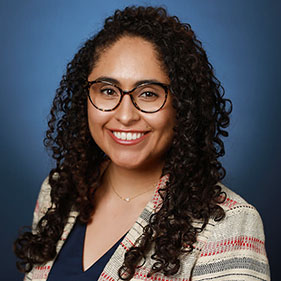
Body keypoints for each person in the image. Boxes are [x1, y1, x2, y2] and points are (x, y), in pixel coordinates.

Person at [14, 6, 270, 281]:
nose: (124, 115)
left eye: (148, 93)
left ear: (182, 106)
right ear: (84, 98)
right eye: (108, 91)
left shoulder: (229, 224)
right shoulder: (58, 192)